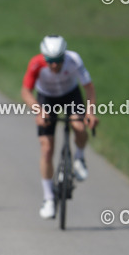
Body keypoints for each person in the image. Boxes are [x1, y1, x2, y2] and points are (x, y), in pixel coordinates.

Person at [21, 35, 98, 219]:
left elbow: (88, 87)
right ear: (44, 57)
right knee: (47, 148)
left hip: (70, 95)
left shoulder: (74, 60)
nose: (54, 65)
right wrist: (39, 111)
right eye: (50, 61)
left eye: (58, 61)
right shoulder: (36, 64)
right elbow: (26, 91)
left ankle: (79, 158)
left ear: (64, 56)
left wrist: (90, 112)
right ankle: (48, 198)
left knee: (79, 127)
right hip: (46, 98)